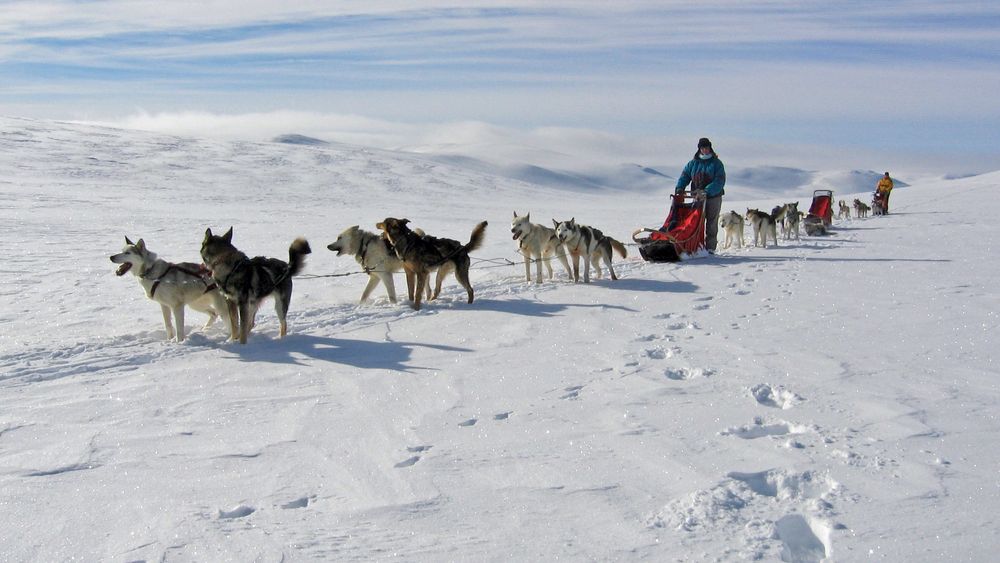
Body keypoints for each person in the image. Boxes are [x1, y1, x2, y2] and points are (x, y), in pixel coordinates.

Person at [675, 137, 726, 253]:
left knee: (712, 223)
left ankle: (710, 248)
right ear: (699, 149)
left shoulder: (716, 163)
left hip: (713, 197)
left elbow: (720, 180)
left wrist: (707, 191)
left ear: (710, 148)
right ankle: (697, 246)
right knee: (696, 222)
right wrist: (680, 188)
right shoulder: (693, 163)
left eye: (707, 148)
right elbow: (685, 176)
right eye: (703, 148)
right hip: (697, 197)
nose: (705, 150)